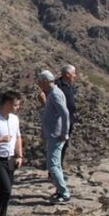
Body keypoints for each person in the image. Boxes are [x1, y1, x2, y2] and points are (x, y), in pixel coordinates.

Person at [37, 70, 71, 203]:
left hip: (56, 135)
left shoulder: (55, 94)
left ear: (45, 81)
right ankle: (59, 190)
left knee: (52, 165)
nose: (39, 84)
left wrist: (64, 133)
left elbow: (65, 113)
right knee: (55, 164)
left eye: (40, 82)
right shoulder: (52, 93)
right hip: (53, 133)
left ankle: (64, 193)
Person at [56, 64, 78, 168]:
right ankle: (54, 171)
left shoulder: (69, 85)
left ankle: (59, 167)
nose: (75, 76)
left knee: (64, 145)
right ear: (67, 74)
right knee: (58, 145)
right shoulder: (57, 85)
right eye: (74, 73)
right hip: (60, 121)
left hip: (69, 120)